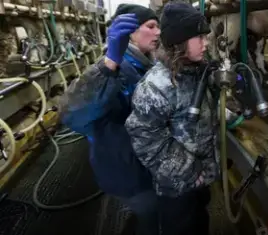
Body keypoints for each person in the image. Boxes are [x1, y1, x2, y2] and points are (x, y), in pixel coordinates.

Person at [58, 4, 161, 235]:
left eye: (159, 27)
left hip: (142, 167)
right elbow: (72, 115)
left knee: (151, 216)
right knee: (151, 218)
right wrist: (109, 65)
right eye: (151, 26)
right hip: (127, 171)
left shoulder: (145, 65)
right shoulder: (115, 68)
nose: (158, 33)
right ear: (130, 32)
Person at [125, 2, 218, 235]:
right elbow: (146, 141)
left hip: (200, 177)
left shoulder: (196, 71)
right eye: (200, 37)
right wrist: (190, 172)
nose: (206, 43)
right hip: (176, 187)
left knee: (200, 223)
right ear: (179, 40)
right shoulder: (156, 86)